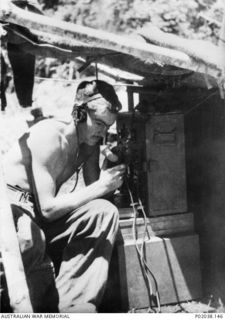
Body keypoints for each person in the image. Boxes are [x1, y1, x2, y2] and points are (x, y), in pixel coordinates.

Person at [2, 79, 126, 313]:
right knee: (31, 238)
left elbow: (97, 197)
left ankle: (75, 307)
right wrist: (102, 186)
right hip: (11, 207)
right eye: (98, 123)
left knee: (103, 213)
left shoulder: (89, 143)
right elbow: (48, 210)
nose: (102, 132)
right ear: (79, 113)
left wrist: (110, 166)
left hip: (37, 214)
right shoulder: (49, 136)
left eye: (107, 126)